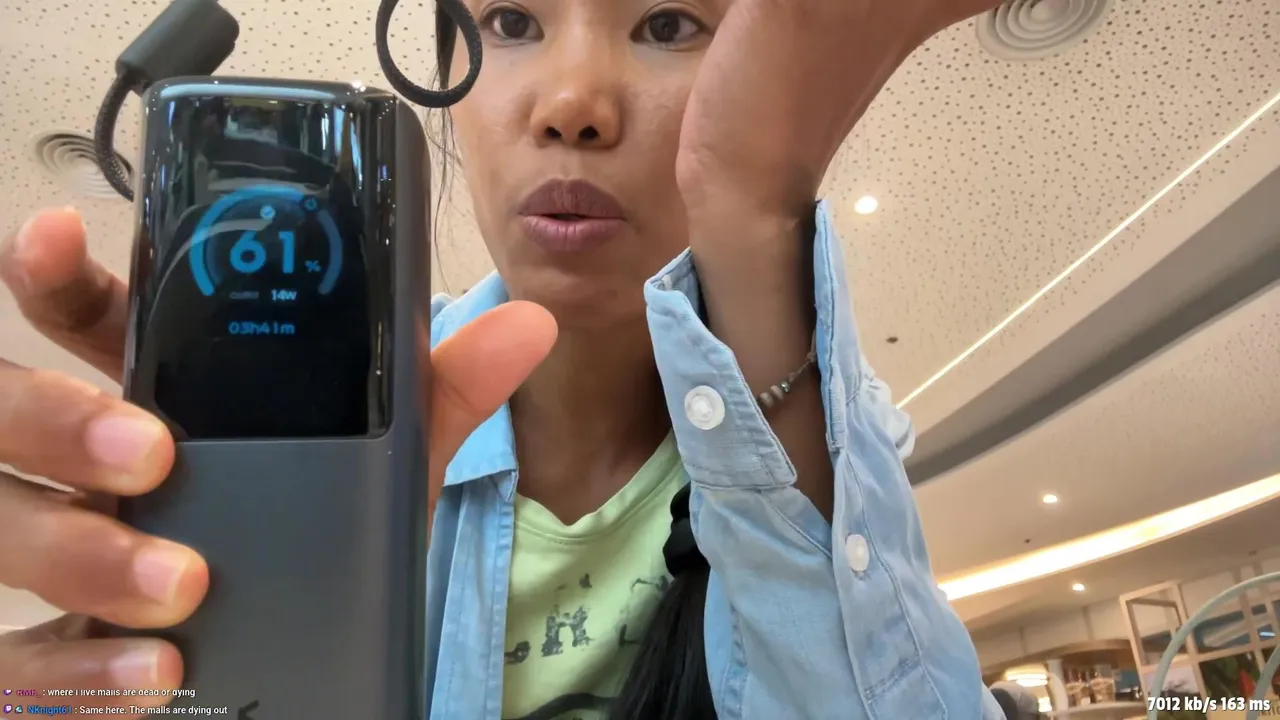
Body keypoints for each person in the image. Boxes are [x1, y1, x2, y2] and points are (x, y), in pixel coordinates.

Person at [0, 0, 1007, 717]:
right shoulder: (360, 436)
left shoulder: (838, 448)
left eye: (667, 23)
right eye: (511, 21)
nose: (572, 103)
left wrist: (752, 208)